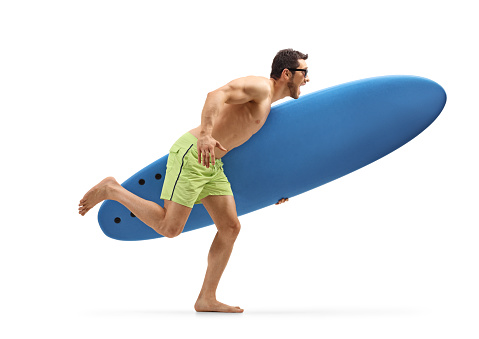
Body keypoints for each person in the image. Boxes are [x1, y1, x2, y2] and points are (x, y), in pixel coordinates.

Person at [79, 48, 310, 313]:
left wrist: (276, 189)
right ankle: (113, 189)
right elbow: (216, 95)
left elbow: (250, 149)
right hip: (194, 154)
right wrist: (205, 135)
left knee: (230, 227)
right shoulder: (260, 87)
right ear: (286, 73)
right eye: (305, 73)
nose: (307, 79)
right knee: (170, 227)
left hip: (213, 165)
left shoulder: (268, 105)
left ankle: (206, 298)